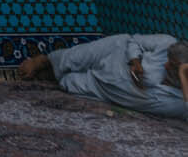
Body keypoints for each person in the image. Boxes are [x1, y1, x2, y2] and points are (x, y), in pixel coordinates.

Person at [18, 35, 188, 119]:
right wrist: (135, 60)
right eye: (168, 61)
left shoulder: (181, 101)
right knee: (73, 58)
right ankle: (43, 61)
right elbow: (135, 40)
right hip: (116, 54)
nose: (166, 65)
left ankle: (51, 74)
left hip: (108, 89)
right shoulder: (167, 43)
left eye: (172, 66)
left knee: (66, 83)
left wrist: (182, 74)